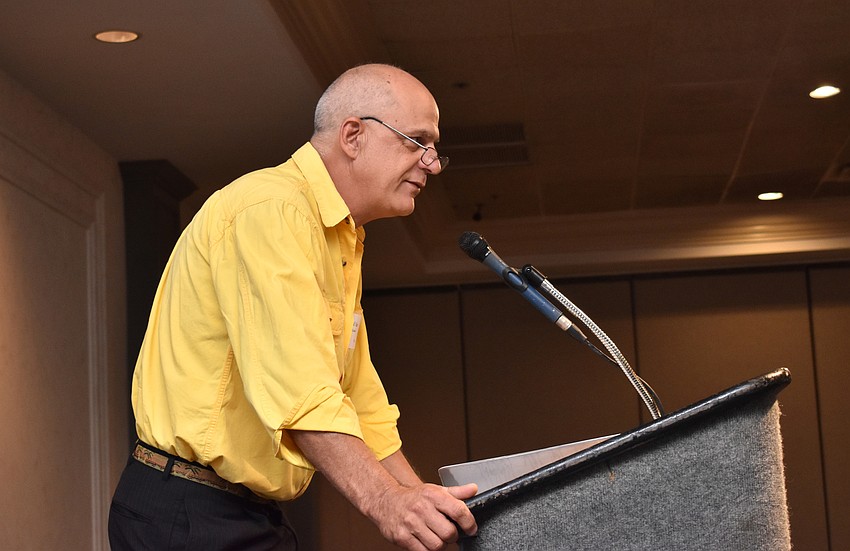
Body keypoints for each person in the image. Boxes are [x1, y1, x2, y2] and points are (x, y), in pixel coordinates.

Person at [108, 63, 478, 551]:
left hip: (244, 511)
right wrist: (386, 502)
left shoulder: (341, 237)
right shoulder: (271, 210)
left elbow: (359, 399)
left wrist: (419, 500)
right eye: (417, 141)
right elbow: (301, 396)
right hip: (189, 512)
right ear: (352, 135)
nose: (432, 163)